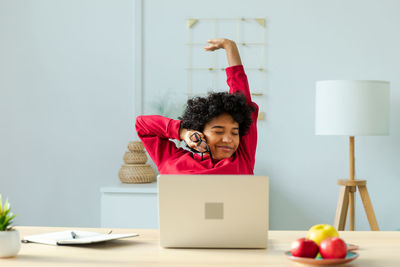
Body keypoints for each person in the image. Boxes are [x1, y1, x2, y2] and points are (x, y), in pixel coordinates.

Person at [135, 38, 259, 174]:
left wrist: (230, 47)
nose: (228, 139)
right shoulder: (172, 160)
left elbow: (243, 99)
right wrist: (183, 132)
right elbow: (142, 125)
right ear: (199, 131)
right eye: (218, 131)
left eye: (234, 132)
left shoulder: (242, 158)